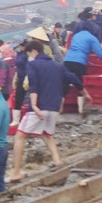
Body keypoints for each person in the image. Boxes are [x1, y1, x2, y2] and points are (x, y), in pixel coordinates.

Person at [10, 41, 81, 181]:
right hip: (54, 107)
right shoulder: (57, 65)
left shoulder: (33, 65)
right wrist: (84, 91)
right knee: (47, 134)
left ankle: (16, 172)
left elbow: (34, 85)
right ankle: (57, 160)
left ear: (34, 51)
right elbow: (72, 78)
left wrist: (34, 104)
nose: (29, 57)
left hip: (38, 107)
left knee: (19, 137)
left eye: (29, 54)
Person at [63, 25, 102, 114]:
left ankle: (61, 108)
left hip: (67, 60)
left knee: (65, 84)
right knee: (80, 85)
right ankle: (80, 110)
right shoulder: (92, 38)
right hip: (79, 62)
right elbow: (100, 52)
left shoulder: (76, 36)